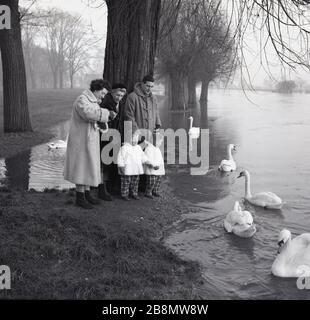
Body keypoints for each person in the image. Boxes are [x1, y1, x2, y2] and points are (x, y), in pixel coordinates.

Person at [63, 79, 115, 209]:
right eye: (102, 93)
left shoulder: (93, 102)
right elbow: (89, 114)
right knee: (81, 168)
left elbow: (96, 121)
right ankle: (80, 197)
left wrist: (104, 121)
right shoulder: (82, 99)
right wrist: (107, 113)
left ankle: (87, 194)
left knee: (88, 167)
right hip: (80, 141)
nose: (103, 97)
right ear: (96, 89)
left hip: (89, 140)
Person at [97, 83, 127, 201]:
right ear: (112, 92)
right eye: (117, 95)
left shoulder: (121, 104)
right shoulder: (105, 103)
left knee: (113, 163)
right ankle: (101, 189)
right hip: (105, 136)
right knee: (104, 163)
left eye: (121, 96)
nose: (119, 97)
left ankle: (111, 188)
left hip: (116, 137)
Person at [117, 132, 155, 201]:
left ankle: (134, 193)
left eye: (136, 140)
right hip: (127, 169)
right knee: (125, 182)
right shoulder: (124, 148)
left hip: (136, 169)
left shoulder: (138, 148)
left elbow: (143, 156)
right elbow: (120, 157)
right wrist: (121, 165)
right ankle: (124, 194)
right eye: (133, 140)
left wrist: (147, 162)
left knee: (135, 182)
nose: (134, 142)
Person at [123, 74, 161, 141]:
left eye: (151, 87)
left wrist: (158, 125)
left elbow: (156, 112)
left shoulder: (154, 98)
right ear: (142, 84)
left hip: (150, 134)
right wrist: (137, 132)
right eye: (147, 86)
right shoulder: (132, 97)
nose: (149, 89)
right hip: (136, 135)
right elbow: (129, 116)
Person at [144, 132, 165, 199]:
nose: (160, 143)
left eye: (161, 142)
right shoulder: (149, 148)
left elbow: (159, 158)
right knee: (151, 181)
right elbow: (147, 158)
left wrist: (161, 165)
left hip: (159, 168)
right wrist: (152, 165)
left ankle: (155, 191)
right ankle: (148, 192)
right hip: (152, 168)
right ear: (154, 141)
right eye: (159, 142)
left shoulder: (157, 148)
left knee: (158, 181)